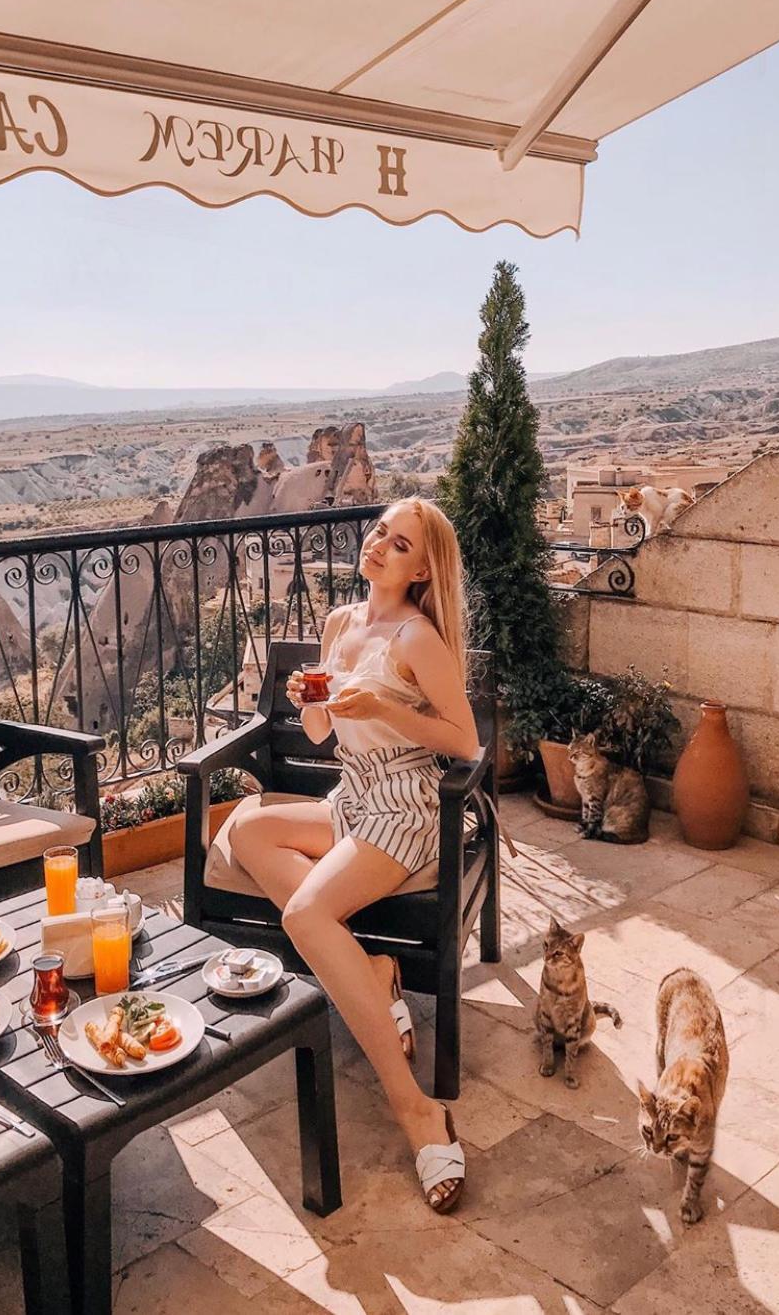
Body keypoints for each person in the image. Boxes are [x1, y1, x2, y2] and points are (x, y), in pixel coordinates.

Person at [228, 497, 481, 1213]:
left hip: (404, 806)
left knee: (307, 915)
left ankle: (415, 1110)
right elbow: (317, 731)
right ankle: (371, 971)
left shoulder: (416, 636)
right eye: (378, 533)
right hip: (353, 796)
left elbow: (463, 740)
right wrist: (306, 696)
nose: (378, 547)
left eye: (398, 544)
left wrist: (383, 708)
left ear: (422, 567)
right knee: (247, 827)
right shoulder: (340, 622)